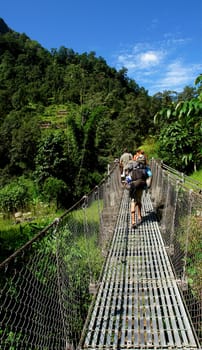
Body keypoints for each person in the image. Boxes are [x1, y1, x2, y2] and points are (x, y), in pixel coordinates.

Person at [126, 154, 148, 229]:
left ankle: (133, 222)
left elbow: (128, 179)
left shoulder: (133, 170)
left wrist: (128, 183)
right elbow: (148, 177)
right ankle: (139, 216)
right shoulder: (145, 169)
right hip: (140, 188)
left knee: (133, 202)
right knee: (139, 201)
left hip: (133, 187)